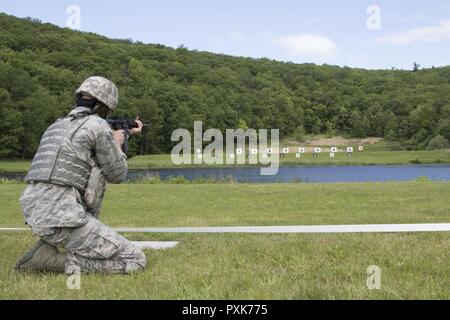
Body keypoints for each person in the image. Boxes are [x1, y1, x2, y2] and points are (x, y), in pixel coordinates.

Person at [15, 76, 147, 274]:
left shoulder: (56, 126)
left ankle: (47, 249)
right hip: (63, 217)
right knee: (136, 260)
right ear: (103, 105)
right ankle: (45, 260)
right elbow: (117, 173)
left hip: (35, 212)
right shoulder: (97, 126)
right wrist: (118, 143)